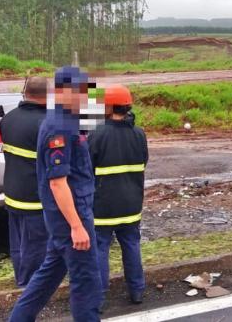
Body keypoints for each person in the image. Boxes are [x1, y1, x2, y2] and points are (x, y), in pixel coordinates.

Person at [9, 67, 101, 322]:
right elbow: (57, 183)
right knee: (87, 281)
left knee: (48, 275)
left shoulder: (69, 120)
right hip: (70, 216)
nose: (87, 98)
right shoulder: (58, 127)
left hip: (70, 212)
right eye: (83, 92)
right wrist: (76, 226)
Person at [90, 84, 148, 306]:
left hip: (103, 206)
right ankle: (137, 291)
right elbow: (143, 162)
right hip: (132, 204)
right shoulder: (139, 134)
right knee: (132, 246)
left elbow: (88, 169)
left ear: (108, 107)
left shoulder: (97, 135)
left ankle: (99, 298)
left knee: (100, 250)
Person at [0, 76, 49, 287]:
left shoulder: (8, 119)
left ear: (25, 93)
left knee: (18, 243)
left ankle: (21, 278)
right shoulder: (47, 123)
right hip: (35, 197)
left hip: (12, 192)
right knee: (36, 245)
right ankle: (30, 285)